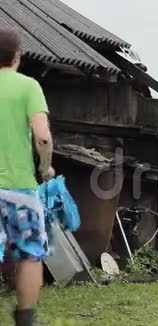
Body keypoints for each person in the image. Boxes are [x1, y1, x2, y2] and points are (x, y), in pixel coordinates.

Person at [0, 27, 55, 325]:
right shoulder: (28, 86)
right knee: (30, 253)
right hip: (19, 188)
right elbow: (43, 138)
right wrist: (45, 167)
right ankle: (25, 319)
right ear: (17, 56)